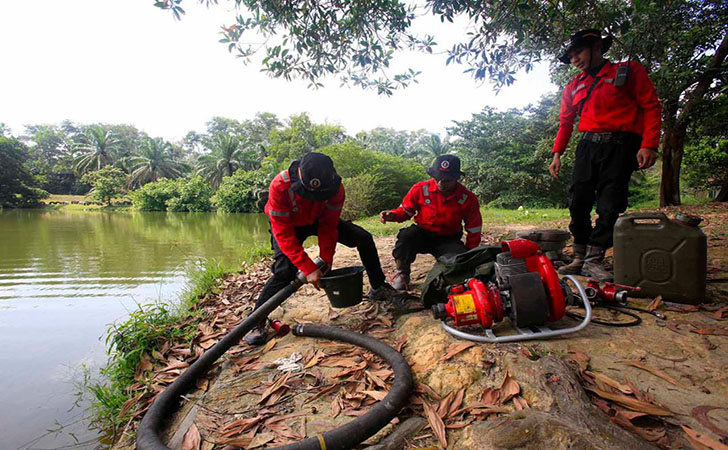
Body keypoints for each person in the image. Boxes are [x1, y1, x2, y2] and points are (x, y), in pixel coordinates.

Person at [245, 152, 398, 345]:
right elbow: (283, 233)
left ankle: (378, 287)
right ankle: (256, 320)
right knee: (284, 270)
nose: (315, 198)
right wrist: (308, 268)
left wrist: (326, 260)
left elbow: (328, 226)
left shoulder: (337, 189)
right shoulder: (280, 186)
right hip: (289, 224)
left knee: (363, 238)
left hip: (318, 220)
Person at [549, 29, 661, 281]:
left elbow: (651, 106)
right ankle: (579, 255)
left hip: (621, 145)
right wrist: (557, 153)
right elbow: (566, 123)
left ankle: (594, 259)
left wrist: (649, 144)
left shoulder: (628, 71)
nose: (574, 59)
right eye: (571, 55)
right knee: (578, 200)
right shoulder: (573, 85)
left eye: (578, 52)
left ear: (597, 47)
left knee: (610, 204)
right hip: (588, 145)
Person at [380, 155, 483, 291]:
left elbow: (474, 229)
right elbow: (405, 211)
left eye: (446, 180)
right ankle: (402, 274)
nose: (441, 183)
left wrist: (468, 255)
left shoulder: (467, 198)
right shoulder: (420, 189)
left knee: (455, 265)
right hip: (423, 234)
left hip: (448, 239)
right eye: (437, 178)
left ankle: (445, 275)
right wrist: (392, 215)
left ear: (457, 178)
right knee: (406, 236)